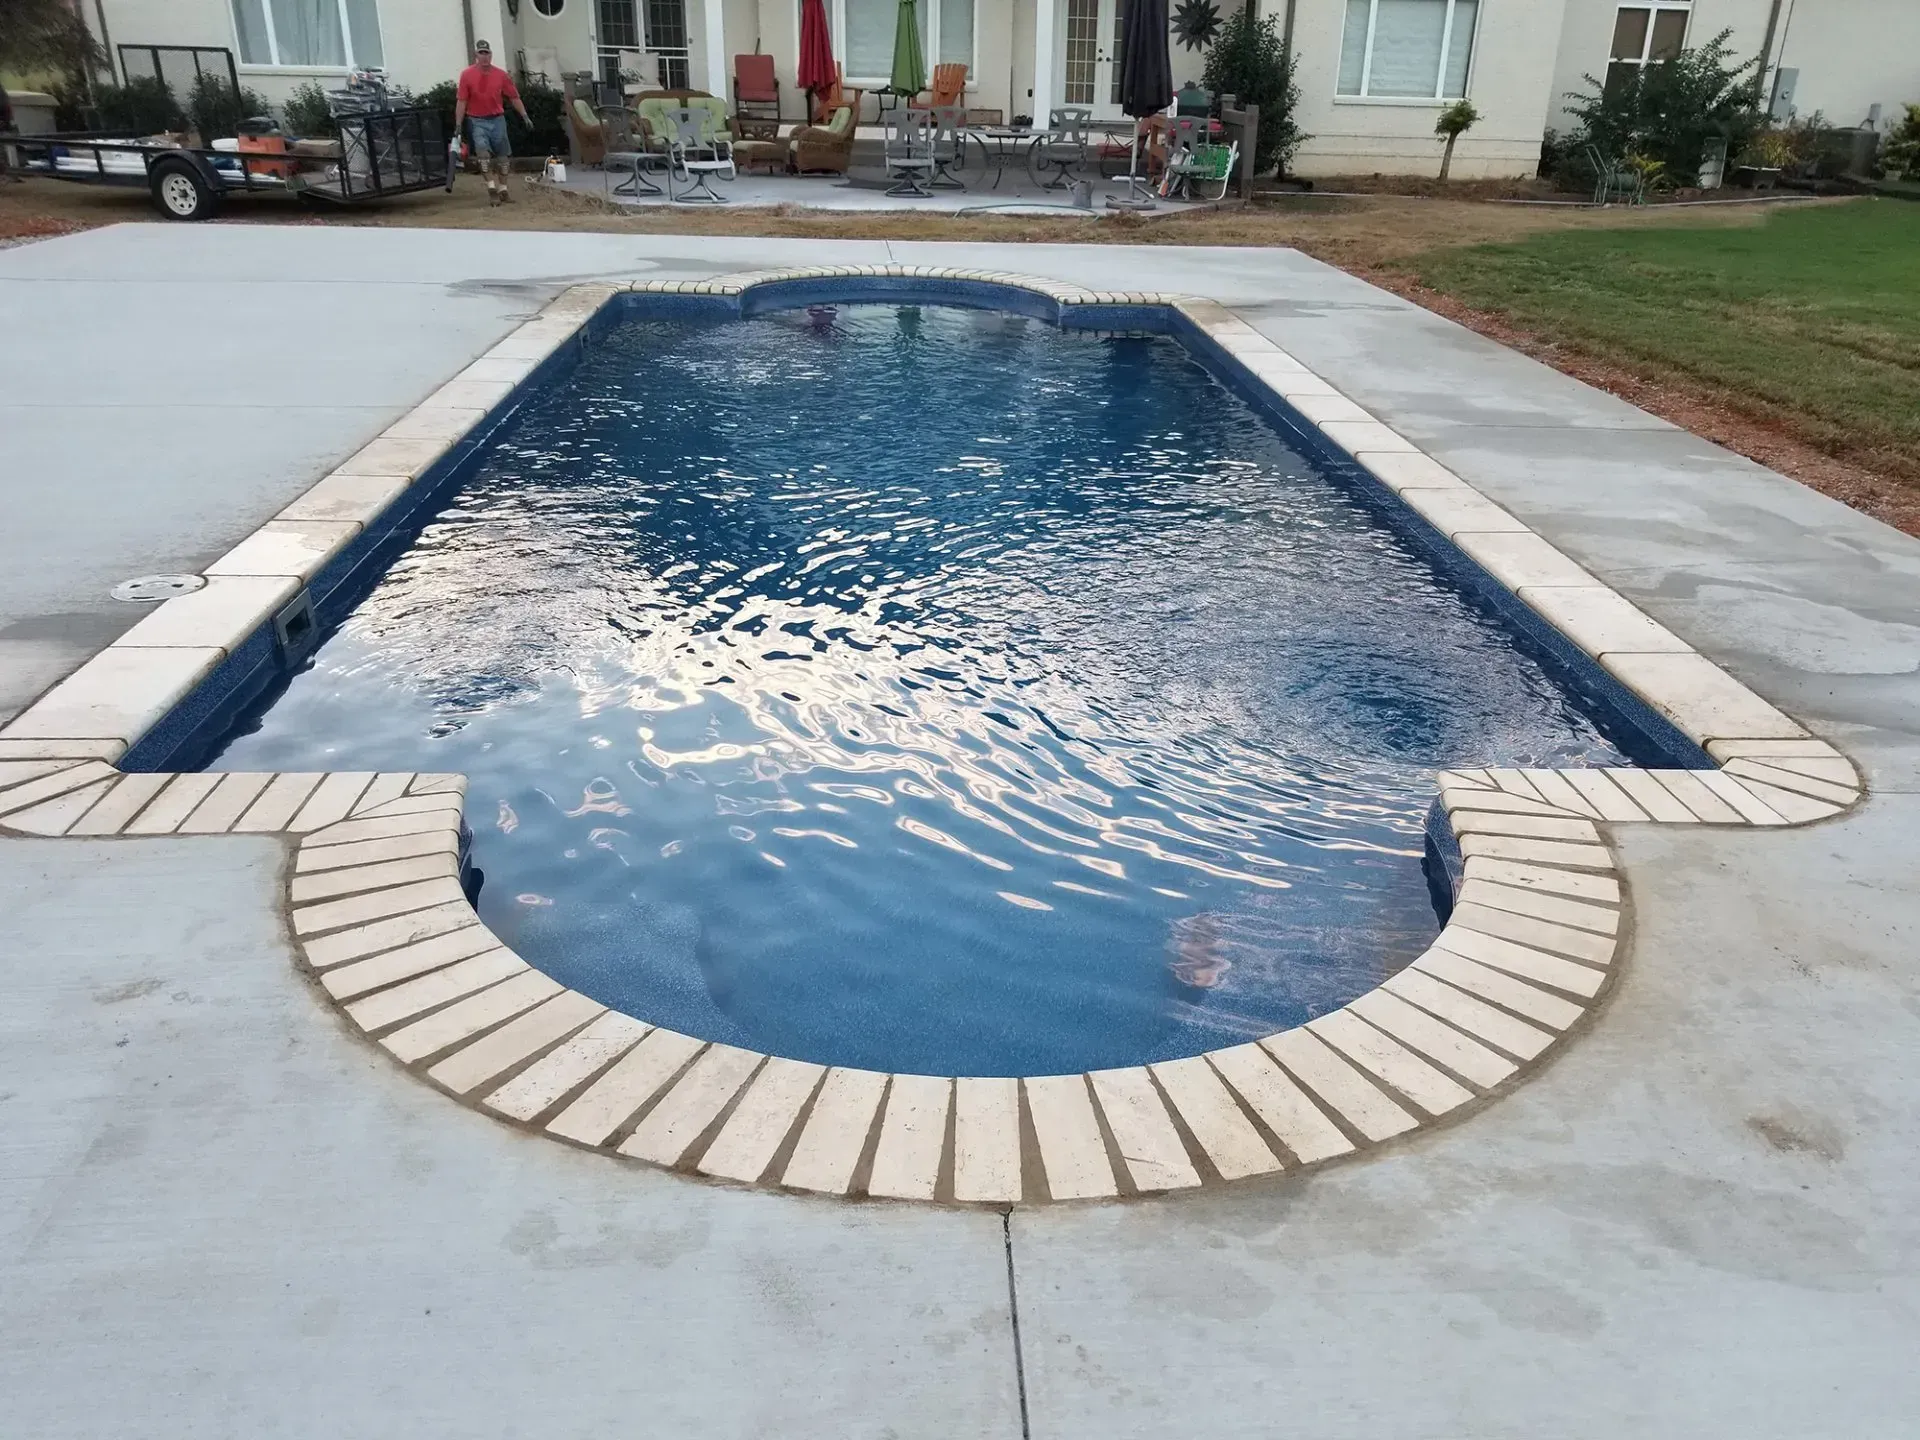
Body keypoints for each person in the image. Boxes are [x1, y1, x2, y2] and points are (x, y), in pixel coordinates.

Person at [453, 40, 532, 205]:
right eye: (481, 53)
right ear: (476, 55)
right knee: (483, 156)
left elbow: (513, 96)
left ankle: (503, 189)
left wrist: (524, 115)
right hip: (477, 120)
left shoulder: (501, 75)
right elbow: (461, 101)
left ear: (491, 54)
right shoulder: (467, 75)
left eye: (486, 53)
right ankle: (491, 189)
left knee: (503, 159)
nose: (484, 56)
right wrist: (458, 124)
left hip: (497, 120)